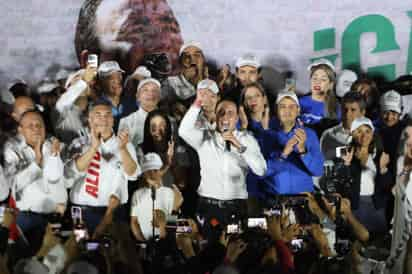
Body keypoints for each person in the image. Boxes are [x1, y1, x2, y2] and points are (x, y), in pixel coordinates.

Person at [178, 94, 266, 232]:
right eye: (221, 113)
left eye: (230, 113)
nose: (225, 117)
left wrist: (240, 147)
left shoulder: (246, 139)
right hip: (208, 206)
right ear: (216, 116)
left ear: (237, 118)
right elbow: (183, 131)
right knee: (209, 250)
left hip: (236, 206)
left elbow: (261, 170)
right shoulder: (205, 137)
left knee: (235, 248)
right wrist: (197, 102)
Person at [64, 101, 139, 234]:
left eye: (107, 115)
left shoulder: (125, 144)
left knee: (113, 252)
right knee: (80, 249)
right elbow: (73, 171)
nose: (103, 118)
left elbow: (133, 174)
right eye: (98, 115)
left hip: (114, 211)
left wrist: (122, 149)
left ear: (113, 120)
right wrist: (93, 148)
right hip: (81, 211)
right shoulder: (78, 144)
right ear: (90, 120)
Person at [3, 110, 68, 234]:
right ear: (20, 130)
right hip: (28, 218)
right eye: (30, 126)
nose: (36, 129)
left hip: (59, 216)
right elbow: (12, 184)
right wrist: (37, 162)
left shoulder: (55, 145)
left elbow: (68, 177)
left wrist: (57, 157)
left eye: (39, 125)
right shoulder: (12, 149)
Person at [336, 117, 392, 235]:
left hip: (376, 205)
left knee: (379, 241)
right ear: (352, 134)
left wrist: (382, 169)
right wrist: (346, 164)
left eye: (367, 131)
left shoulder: (380, 154)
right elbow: (340, 186)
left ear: (372, 133)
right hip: (356, 205)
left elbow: (387, 187)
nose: (364, 135)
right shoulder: (346, 153)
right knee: (358, 239)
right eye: (359, 131)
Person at [262, 91, 324, 195]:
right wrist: (283, 155)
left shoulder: (309, 134)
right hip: (276, 200)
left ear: (298, 110)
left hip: (304, 198)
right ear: (276, 110)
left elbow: (318, 171)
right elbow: (262, 172)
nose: (287, 111)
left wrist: (302, 151)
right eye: (283, 107)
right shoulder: (266, 136)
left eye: (291, 106)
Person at [130, 153, 183, 241]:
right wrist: (143, 243)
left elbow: (176, 222)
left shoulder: (170, 192)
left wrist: (166, 238)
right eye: (148, 170)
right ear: (143, 174)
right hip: (146, 245)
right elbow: (134, 222)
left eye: (155, 170)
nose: (152, 174)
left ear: (160, 171)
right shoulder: (137, 194)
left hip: (167, 242)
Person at [54, 65, 98, 143]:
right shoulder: (62, 109)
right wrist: (84, 81)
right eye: (77, 79)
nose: (87, 81)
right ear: (69, 88)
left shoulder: (95, 108)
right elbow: (63, 102)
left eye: (84, 77)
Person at [320, 91, 366, 161]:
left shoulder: (372, 136)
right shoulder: (328, 135)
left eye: (353, 110)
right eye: (345, 109)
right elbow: (324, 159)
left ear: (362, 112)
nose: (347, 114)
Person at [118, 78, 161, 149]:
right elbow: (122, 150)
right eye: (145, 90)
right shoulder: (127, 121)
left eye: (154, 90)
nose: (150, 94)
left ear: (159, 97)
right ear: (138, 96)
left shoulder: (170, 121)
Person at [164, 41, 208, 108]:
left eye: (197, 55)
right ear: (180, 62)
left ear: (203, 60)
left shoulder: (212, 81)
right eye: (186, 56)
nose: (192, 59)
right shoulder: (170, 82)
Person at [299, 59, 340, 131]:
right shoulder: (298, 102)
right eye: (315, 78)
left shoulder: (337, 108)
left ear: (330, 84)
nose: (317, 82)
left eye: (323, 79)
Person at [97, 61, 127, 131]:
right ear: (102, 81)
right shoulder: (96, 105)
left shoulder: (131, 100)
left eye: (119, 75)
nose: (116, 80)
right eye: (110, 78)